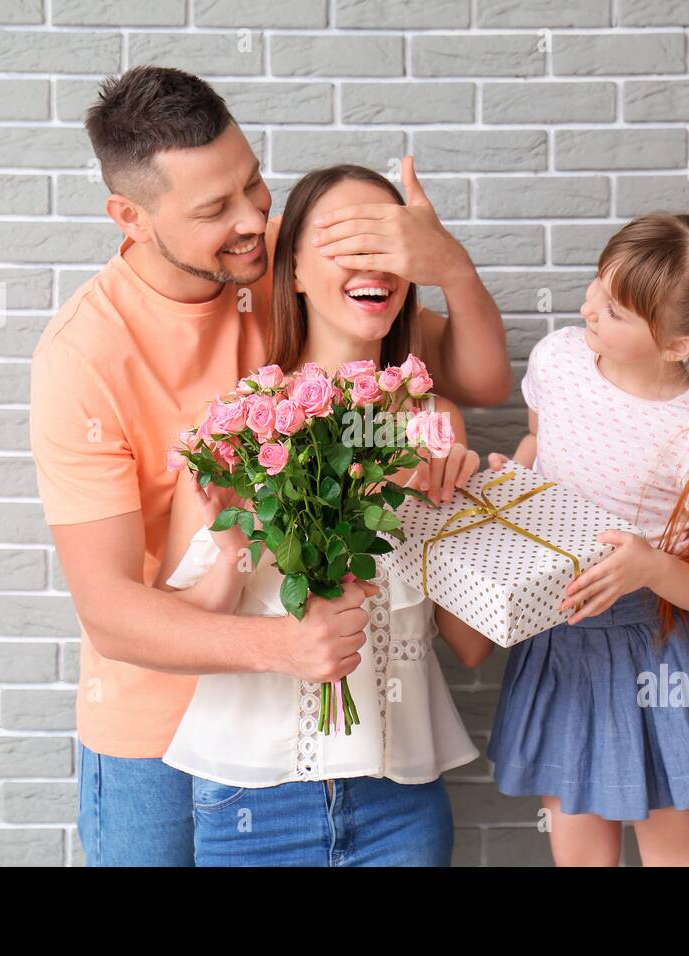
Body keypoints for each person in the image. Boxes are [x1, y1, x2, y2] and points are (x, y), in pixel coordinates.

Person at [28, 67, 511, 866]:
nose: (254, 219)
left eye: (253, 183)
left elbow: (470, 376)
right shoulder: (83, 355)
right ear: (131, 218)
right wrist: (286, 647)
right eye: (215, 209)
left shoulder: (292, 254)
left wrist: (447, 264)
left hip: (343, 735)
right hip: (156, 722)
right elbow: (111, 612)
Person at [157, 165, 495, 867]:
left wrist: (465, 510)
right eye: (344, 241)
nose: (373, 262)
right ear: (295, 272)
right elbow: (187, 623)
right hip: (253, 796)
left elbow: (470, 646)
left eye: (389, 243)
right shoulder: (240, 424)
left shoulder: (432, 424)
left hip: (398, 798)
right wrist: (231, 543)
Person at [486, 200, 689, 866]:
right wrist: (514, 482)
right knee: (579, 854)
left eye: (617, 310)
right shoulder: (558, 358)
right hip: (561, 640)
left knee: (676, 856)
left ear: (680, 346)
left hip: (659, 651)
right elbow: (538, 440)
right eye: (599, 282)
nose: (590, 306)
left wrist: (649, 567)